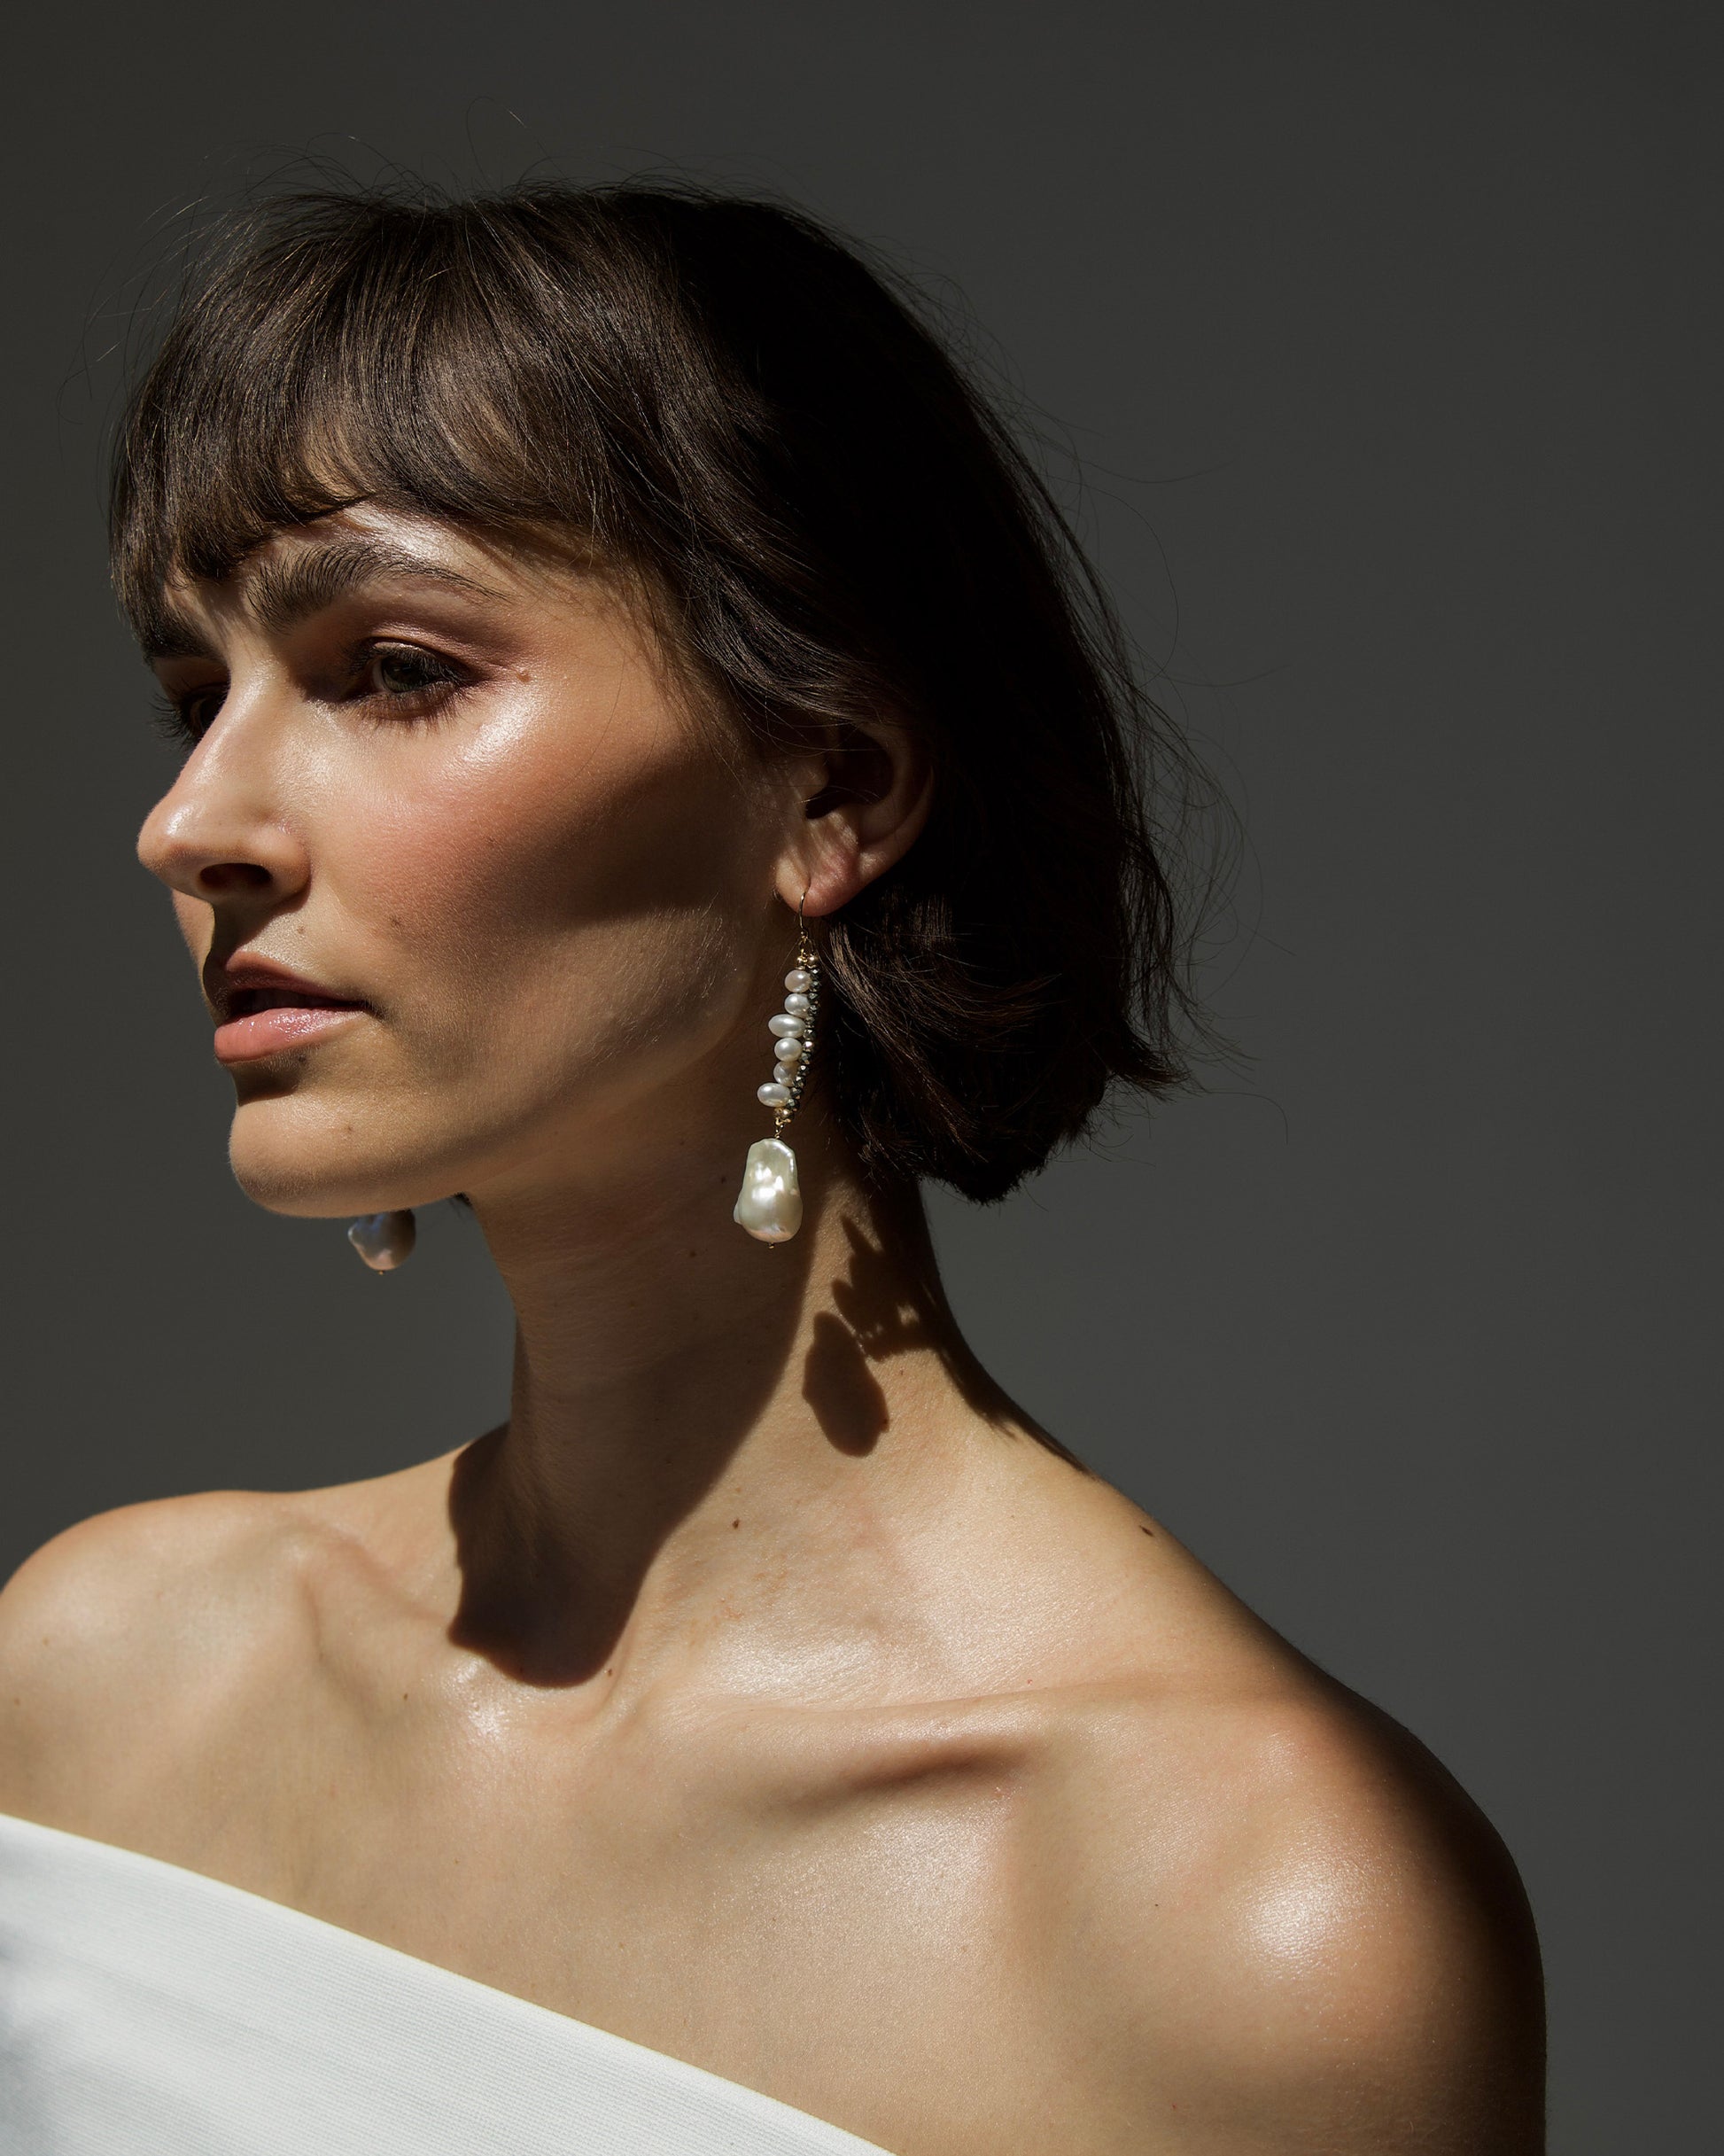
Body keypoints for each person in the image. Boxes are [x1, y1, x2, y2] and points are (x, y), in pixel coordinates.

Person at [0, 183, 1543, 2154]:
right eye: (192, 690)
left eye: (392, 666)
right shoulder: (100, 1681)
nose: (188, 819)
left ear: (831, 787)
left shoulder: (1249, 1926)